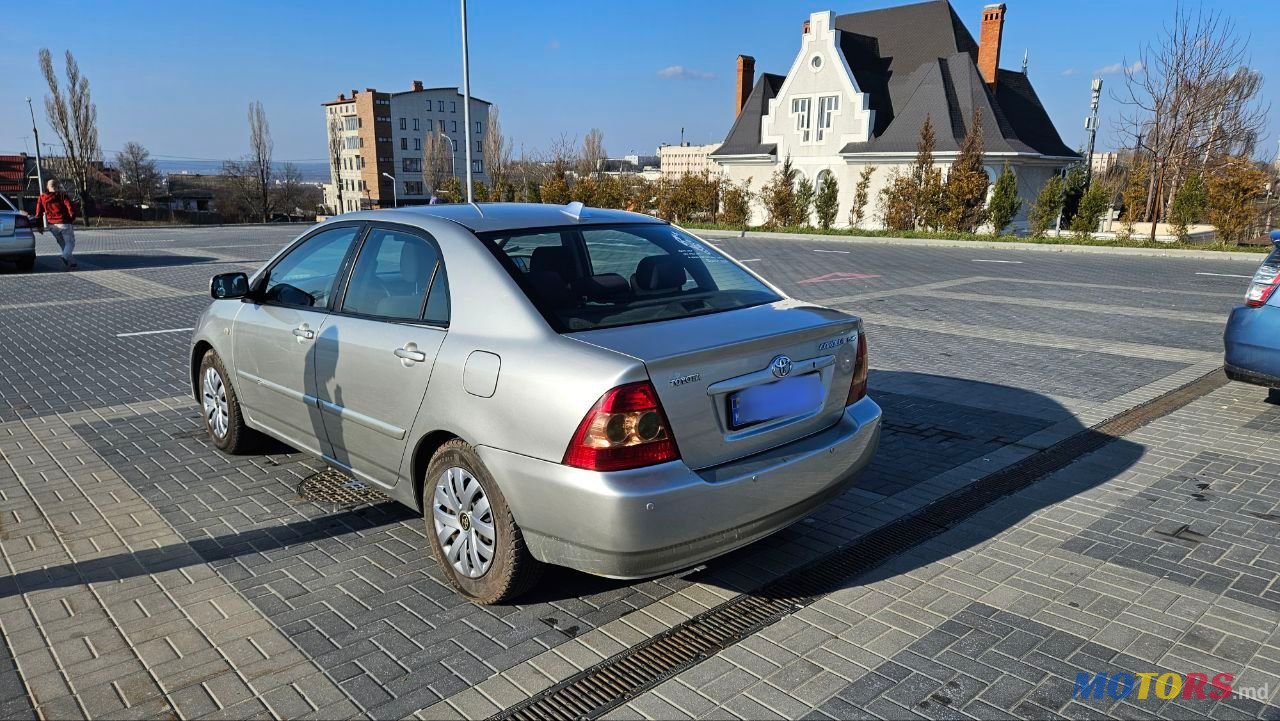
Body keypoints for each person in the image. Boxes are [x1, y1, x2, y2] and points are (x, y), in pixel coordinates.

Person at [34, 179, 78, 269]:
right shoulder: (62, 195)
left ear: (47, 187)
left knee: (62, 243)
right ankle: (64, 257)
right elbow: (70, 207)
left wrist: (39, 226)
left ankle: (72, 262)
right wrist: (72, 218)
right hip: (64, 223)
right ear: (57, 186)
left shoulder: (42, 197)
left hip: (52, 225)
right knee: (70, 243)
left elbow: (38, 213)